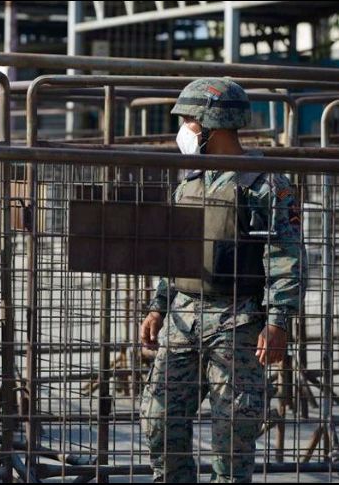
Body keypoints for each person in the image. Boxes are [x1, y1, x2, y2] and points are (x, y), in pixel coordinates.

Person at [139, 78, 305, 483]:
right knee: (158, 418)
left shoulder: (264, 184)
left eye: (189, 121)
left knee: (234, 431)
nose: (184, 130)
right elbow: (176, 251)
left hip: (238, 321)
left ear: (212, 124)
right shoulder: (190, 180)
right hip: (183, 317)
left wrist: (278, 320)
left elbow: (286, 256)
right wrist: (158, 306)